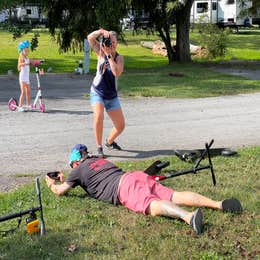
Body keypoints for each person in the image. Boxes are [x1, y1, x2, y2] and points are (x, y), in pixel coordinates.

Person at [45, 144, 243, 235]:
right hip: (135, 176)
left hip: (122, 188)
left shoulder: (77, 170)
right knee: (173, 194)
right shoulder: (99, 160)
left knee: (151, 205)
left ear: (75, 161)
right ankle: (218, 204)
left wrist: (52, 183)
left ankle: (189, 217)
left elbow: (61, 191)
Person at [87, 28, 125, 158]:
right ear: (105, 42)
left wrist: (110, 55)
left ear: (117, 43)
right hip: (97, 92)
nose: (112, 44)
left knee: (120, 126)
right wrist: (101, 31)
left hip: (111, 96)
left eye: (114, 42)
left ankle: (109, 142)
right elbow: (90, 38)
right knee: (98, 116)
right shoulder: (101, 52)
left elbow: (116, 72)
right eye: (110, 42)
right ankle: (99, 147)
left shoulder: (119, 58)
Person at [17, 40, 33, 112]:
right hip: (22, 77)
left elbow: (32, 61)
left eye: (27, 50)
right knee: (23, 92)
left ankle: (29, 105)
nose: (27, 51)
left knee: (28, 92)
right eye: (25, 50)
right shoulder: (21, 57)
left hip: (27, 77)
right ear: (22, 50)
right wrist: (25, 64)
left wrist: (39, 61)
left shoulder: (27, 57)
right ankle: (20, 106)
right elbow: (18, 67)